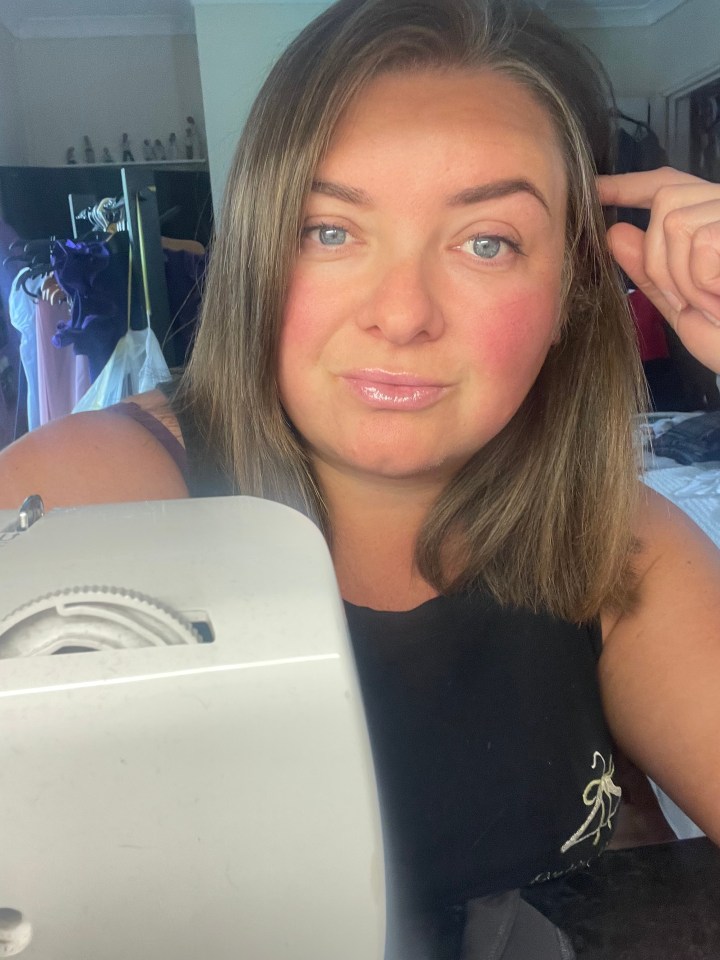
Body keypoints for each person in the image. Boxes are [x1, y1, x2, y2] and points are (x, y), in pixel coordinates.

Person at [2, 0, 720, 955]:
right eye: (330, 231)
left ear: (571, 293)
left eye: (487, 242)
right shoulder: (82, 506)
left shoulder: (616, 542)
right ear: (259, 253)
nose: (403, 313)